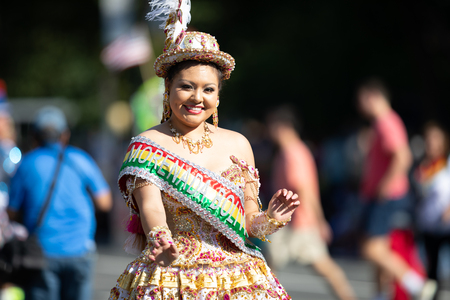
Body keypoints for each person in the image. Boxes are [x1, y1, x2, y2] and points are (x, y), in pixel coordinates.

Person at [108, 1, 300, 299]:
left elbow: (250, 224)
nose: (197, 98)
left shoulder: (238, 144)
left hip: (237, 278)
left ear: (218, 95)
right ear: (168, 87)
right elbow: (151, 207)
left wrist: (272, 218)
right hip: (171, 274)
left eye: (208, 89)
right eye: (186, 87)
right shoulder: (148, 145)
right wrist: (159, 239)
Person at [7, 106, 112, 300]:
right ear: (65, 135)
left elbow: (12, 212)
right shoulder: (80, 159)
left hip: (42, 252)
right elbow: (105, 202)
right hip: (81, 248)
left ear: (34, 136)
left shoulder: (27, 163)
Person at [356, 78, 436, 300]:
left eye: (361, 99)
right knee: (380, 250)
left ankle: (416, 284)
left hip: (387, 196)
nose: (359, 105)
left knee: (370, 249)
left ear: (373, 96)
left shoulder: (386, 122)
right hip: (382, 195)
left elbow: (402, 156)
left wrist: (384, 185)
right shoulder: (384, 122)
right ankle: (382, 294)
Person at [266, 105, 356, 300]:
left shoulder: (292, 153)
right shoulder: (291, 151)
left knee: (323, 267)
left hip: (297, 223)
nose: (269, 130)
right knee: (268, 268)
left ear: (283, 126)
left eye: (272, 125)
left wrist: (319, 221)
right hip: (290, 223)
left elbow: (304, 190)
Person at [413, 122, 450, 300]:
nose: (431, 143)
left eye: (435, 139)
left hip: (446, 224)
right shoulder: (422, 165)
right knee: (432, 268)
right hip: (428, 224)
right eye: (428, 139)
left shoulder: (446, 163)